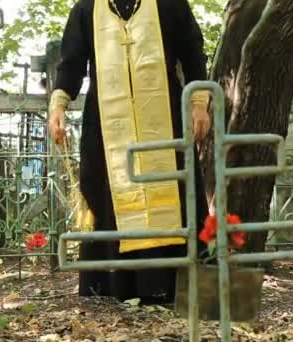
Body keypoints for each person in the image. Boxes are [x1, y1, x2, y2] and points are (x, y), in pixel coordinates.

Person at [48, 0, 210, 303]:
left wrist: (199, 102)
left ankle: (176, 289)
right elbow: (71, 63)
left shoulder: (170, 5)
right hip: (106, 128)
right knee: (104, 194)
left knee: (176, 190)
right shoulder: (86, 10)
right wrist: (58, 105)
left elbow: (192, 54)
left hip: (167, 121)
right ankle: (111, 290)